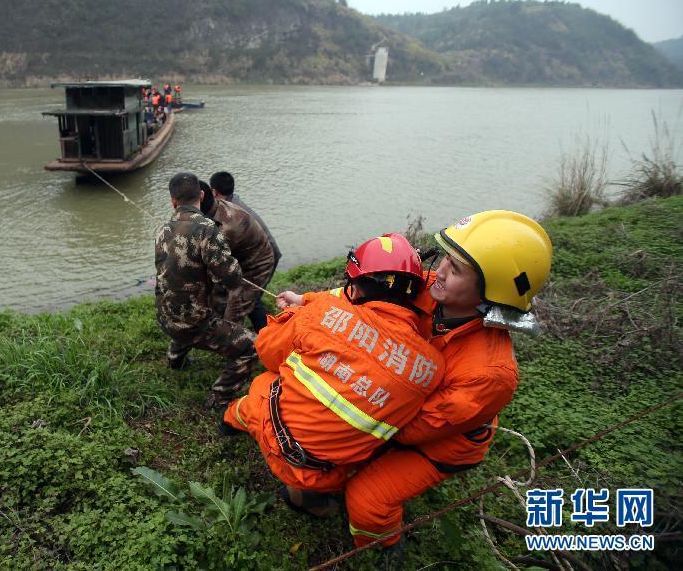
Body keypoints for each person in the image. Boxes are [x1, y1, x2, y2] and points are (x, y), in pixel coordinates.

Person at [342, 211, 553, 549]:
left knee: (367, 501)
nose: (436, 272)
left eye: (455, 270)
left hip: (440, 441)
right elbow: (366, 294)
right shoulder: (428, 290)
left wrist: (358, 416)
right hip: (397, 406)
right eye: (444, 259)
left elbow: (418, 429)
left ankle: (381, 546)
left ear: (490, 292)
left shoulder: (490, 373)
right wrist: (307, 302)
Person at [221, 234, 445, 515]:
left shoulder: (324, 313)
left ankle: (228, 422)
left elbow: (268, 351)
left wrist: (299, 322)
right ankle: (310, 500)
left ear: (358, 288)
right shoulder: (431, 368)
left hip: (277, 438)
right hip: (331, 472)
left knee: (264, 386)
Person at [154, 172, 258, 408]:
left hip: (164, 316)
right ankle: (219, 397)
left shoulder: (162, 230)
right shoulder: (208, 229)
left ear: (172, 201)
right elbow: (232, 279)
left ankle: (175, 360)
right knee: (251, 347)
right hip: (193, 324)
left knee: (183, 300)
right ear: (202, 195)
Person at [209, 171, 282, 331]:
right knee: (246, 298)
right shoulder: (232, 203)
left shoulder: (232, 212)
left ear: (214, 192)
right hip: (262, 255)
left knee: (251, 299)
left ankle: (266, 338)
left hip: (266, 259)